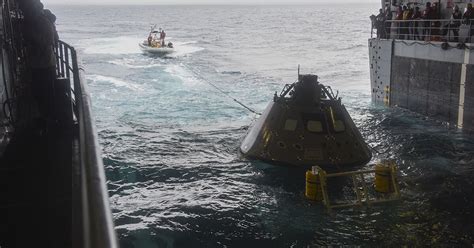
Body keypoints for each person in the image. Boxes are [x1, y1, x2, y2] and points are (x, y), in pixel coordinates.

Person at [21, 0, 57, 125]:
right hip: (40, 63)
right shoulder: (39, 22)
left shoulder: (42, 23)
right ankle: (45, 116)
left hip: (44, 64)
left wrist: (29, 37)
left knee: (45, 92)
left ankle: (49, 118)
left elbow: (45, 41)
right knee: (40, 91)